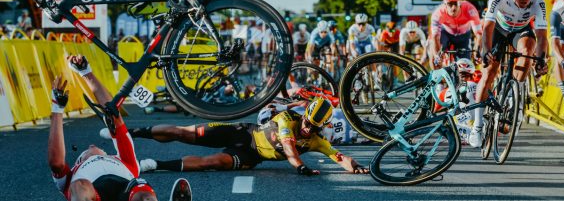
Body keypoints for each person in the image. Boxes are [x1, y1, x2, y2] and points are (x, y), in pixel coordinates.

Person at [48, 55, 192, 201]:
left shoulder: (124, 160)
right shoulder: (71, 175)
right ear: (79, 160)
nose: (92, 145)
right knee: (79, 186)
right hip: (92, 195)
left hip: (127, 194)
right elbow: (56, 163)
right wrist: (57, 108)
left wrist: (86, 72)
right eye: (87, 150)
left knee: (143, 193)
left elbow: (113, 114)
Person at [103, 98, 369, 176]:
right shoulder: (288, 120)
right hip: (243, 132)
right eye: (308, 122)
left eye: (314, 127)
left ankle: (154, 165)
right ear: (304, 116)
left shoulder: (317, 140)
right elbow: (289, 149)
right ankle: (131, 132)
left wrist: (355, 167)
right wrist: (300, 167)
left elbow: (339, 156)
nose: (308, 130)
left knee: (212, 163)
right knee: (184, 133)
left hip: (251, 155)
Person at [469, 0, 549, 147]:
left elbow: (542, 36)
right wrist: (486, 51)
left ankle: (516, 95)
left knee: (528, 51)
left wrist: (541, 59)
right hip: (498, 30)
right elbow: (488, 27)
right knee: (489, 71)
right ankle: (478, 125)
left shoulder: (538, 1)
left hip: (520, 31)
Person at [428, 0, 482, 68]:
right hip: (446, 33)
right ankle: (438, 79)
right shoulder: (438, 13)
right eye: (450, 4)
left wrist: (477, 51)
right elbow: (435, 37)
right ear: (445, 3)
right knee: (434, 55)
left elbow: (479, 34)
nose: (453, 8)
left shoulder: (470, 9)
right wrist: (437, 56)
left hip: (463, 36)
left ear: (460, 2)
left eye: (456, 3)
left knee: (465, 66)